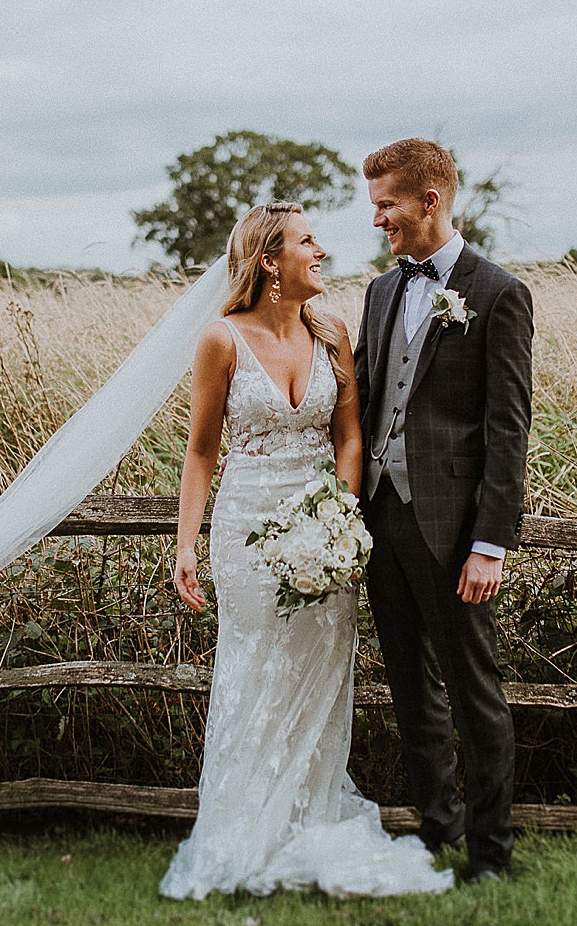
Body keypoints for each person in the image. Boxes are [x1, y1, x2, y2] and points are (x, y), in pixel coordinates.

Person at [159, 202, 453, 900]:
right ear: (269, 261)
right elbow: (201, 452)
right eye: (306, 241)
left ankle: (309, 818)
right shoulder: (220, 340)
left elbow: (350, 437)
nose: (321, 250)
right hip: (248, 529)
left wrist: (339, 518)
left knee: (321, 681)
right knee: (257, 671)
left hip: (323, 531)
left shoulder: (333, 333)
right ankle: (246, 828)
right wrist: (186, 545)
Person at [355, 138, 533, 881]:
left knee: (474, 692)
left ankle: (490, 853)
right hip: (381, 518)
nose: (378, 221)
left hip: (455, 530)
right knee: (409, 686)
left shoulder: (497, 292)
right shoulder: (379, 292)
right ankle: (437, 828)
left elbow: (506, 426)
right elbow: (366, 403)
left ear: (430, 201)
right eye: (374, 206)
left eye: (386, 204)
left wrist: (490, 541)